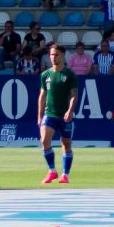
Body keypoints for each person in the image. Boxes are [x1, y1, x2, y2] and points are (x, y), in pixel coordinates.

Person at [37, 42, 79, 185]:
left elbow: (74, 94)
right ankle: (52, 171)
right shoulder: (45, 75)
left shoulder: (69, 74)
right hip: (50, 114)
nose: (53, 57)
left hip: (64, 116)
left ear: (63, 56)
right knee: (44, 141)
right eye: (51, 55)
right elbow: (42, 95)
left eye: (56, 55)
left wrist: (70, 110)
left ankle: (65, 175)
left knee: (66, 144)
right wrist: (39, 115)